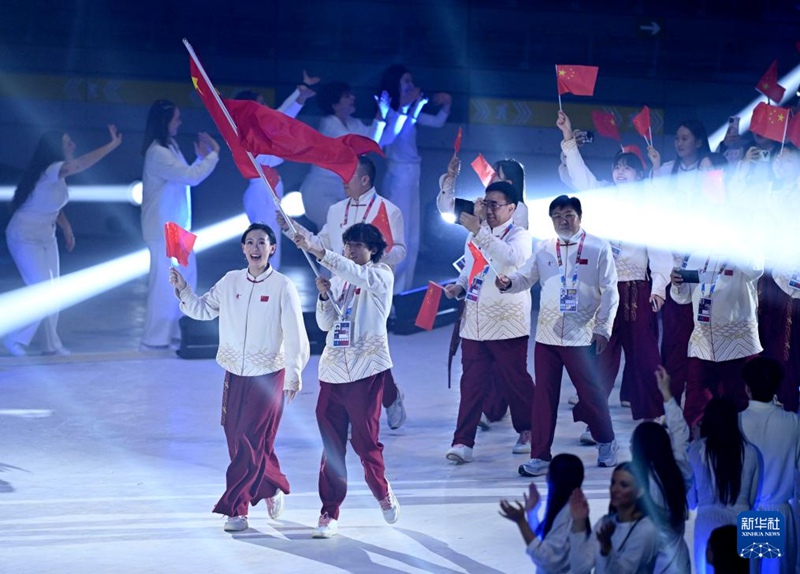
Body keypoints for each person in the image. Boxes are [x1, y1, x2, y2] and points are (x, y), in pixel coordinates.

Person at [168, 223, 309, 531]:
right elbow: (204, 310)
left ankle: (237, 507)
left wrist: (295, 372)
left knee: (251, 440)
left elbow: (296, 333)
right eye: (250, 242)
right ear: (243, 249)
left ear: (273, 248)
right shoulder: (231, 281)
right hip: (235, 373)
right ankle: (270, 485)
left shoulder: (283, 286)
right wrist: (183, 289)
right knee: (237, 438)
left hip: (269, 373)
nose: (256, 247)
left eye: (262, 242)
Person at [556, 109, 671, 436]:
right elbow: (580, 176)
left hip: (637, 289)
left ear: (639, 175)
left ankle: (654, 414)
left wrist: (660, 286)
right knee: (600, 357)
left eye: (628, 169)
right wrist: (568, 138)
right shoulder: (601, 197)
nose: (621, 172)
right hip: (605, 290)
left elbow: (660, 250)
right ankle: (595, 421)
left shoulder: (649, 207)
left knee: (645, 356)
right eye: (618, 167)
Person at [278, 155, 408, 429]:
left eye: (348, 174)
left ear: (365, 179)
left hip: (372, 289)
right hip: (340, 287)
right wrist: (292, 228)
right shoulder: (336, 210)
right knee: (346, 346)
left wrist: (372, 265)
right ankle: (351, 412)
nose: (342, 180)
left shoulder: (388, 209)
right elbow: (319, 242)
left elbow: (400, 249)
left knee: (369, 346)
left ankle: (389, 399)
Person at [498, 195, 619, 476]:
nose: (563, 221)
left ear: (579, 216)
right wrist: (508, 283)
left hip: (582, 334)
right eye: (557, 217)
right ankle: (540, 456)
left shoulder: (598, 248)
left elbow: (611, 291)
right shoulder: (544, 248)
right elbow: (525, 277)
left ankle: (606, 440)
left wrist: (603, 327)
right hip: (547, 337)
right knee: (544, 396)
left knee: (590, 393)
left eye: (568, 215)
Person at [293, 222, 400, 539]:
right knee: (332, 447)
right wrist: (325, 297)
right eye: (348, 245)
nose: (351, 251)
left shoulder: (380, 277)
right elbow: (326, 324)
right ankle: (329, 511)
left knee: (365, 443)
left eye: (358, 246)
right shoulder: (340, 278)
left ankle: (382, 492)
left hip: (365, 371)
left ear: (373, 250)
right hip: (333, 372)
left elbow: (360, 276)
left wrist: (318, 250)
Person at [3, 126, 122, 356]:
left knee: (54, 291)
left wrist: (67, 228)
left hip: (46, 236)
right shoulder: (51, 170)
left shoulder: (56, 177)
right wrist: (111, 145)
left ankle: (51, 344)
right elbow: (80, 164)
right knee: (42, 291)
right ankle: (15, 338)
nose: (73, 146)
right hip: (24, 236)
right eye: (68, 143)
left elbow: (53, 207)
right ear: (55, 149)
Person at [442, 181, 534, 463]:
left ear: (512, 208)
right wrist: (457, 286)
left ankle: (529, 429)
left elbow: (509, 259)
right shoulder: (474, 236)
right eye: (485, 203)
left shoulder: (520, 235)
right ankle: (462, 442)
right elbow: (470, 268)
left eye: (494, 205)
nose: (488, 210)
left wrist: (479, 231)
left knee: (515, 379)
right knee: (470, 382)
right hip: (475, 320)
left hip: (506, 321)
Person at [140, 99, 219, 351]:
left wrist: (199, 159)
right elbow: (190, 177)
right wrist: (213, 154)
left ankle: (176, 331)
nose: (180, 122)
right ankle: (156, 337)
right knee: (165, 282)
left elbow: (184, 175)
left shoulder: (170, 147)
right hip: (163, 228)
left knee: (185, 278)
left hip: (177, 228)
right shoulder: (158, 152)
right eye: (176, 118)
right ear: (165, 121)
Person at [650, 120, 712, 404]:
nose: (679, 142)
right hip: (675, 265)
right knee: (674, 340)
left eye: (685, 137)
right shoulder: (665, 172)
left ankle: (702, 402)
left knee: (703, 337)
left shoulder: (712, 172)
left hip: (703, 264)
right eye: (677, 137)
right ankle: (670, 401)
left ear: (699, 141)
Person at [669, 249, 763, 428]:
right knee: (695, 404)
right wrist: (677, 284)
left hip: (736, 344)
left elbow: (755, 269)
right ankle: (696, 450)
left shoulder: (747, 246)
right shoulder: (699, 252)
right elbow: (683, 297)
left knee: (740, 404)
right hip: (702, 343)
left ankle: (741, 451)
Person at [379, 63, 451, 291]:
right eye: (406, 82)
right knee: (398, 232)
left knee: (412, 235)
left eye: (411, 81)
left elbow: (437, 122)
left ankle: (403, 289)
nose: (411, 85)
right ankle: (392, 288)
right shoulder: (388, 111)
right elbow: (387, 139)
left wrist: (446, 105)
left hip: (412, 174)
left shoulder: (409, 111)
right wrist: (405, 108)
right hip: (398, 173)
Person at [237, 74, 317, 271]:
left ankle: (268, 291)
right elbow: (279, 122)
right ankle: (261, 291)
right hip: (261, 193)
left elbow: (281, 116)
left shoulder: (258, 129)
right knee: (263, 245)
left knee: (270, 244)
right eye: (261, 105)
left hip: (267, 191)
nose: (267, 109)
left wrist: (300, 93)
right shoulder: (248, 133)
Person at [299, 80, 389, 229]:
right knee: (334, 234)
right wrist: (379, 117)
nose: (352, 98)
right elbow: (361, 147)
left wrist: (383, 115)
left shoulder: (353, 123)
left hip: (340, 190)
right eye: (347, 96)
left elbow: (372, 142)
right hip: (319, 190)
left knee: (342, 236)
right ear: (335, 105)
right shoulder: (329, 124)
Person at [739, 357, 800, 574]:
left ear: (747, 388)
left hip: (751, 510)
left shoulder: (737, 422)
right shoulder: (793, 422)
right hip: (781, 510)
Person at [629, 367, 692, 574]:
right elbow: (680, 434)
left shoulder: (636, 485)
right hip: (678, 561)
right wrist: (667, 395)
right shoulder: (678, 472)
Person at [687, 397, 759, 574]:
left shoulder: (696, 450)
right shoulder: (751, 452)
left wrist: (696, 442)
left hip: (708, 522)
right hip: (744, 522)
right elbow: (752, 499)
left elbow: (691, 502)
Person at [499, 453, 585, 573]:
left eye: (550, 473)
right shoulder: (564, 505)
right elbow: (543, 541)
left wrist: (521, 522)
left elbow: (547, 559)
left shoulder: (570, 514)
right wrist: (532, 513)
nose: (547, 477)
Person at [568, 462, 660, 573]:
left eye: (624, 485)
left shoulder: (646, 529)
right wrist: (578, 524)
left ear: (640, 491)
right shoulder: (604, 522)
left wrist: (606, 550)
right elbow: (580, 568)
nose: (615, 489)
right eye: (613, 483)